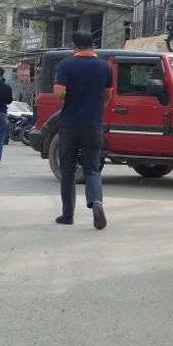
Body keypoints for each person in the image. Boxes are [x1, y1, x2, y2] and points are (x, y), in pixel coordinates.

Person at [54, 31, 112, 229]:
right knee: (92, 169)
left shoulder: (66, 64)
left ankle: (67, 215)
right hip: (93, 125)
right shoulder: (105, 67)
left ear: (75, 46)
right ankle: (96, 202)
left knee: (68, 171)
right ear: (92, 45)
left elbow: (59, 93)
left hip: (69, 125)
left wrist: (71, 96)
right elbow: (108, 95)